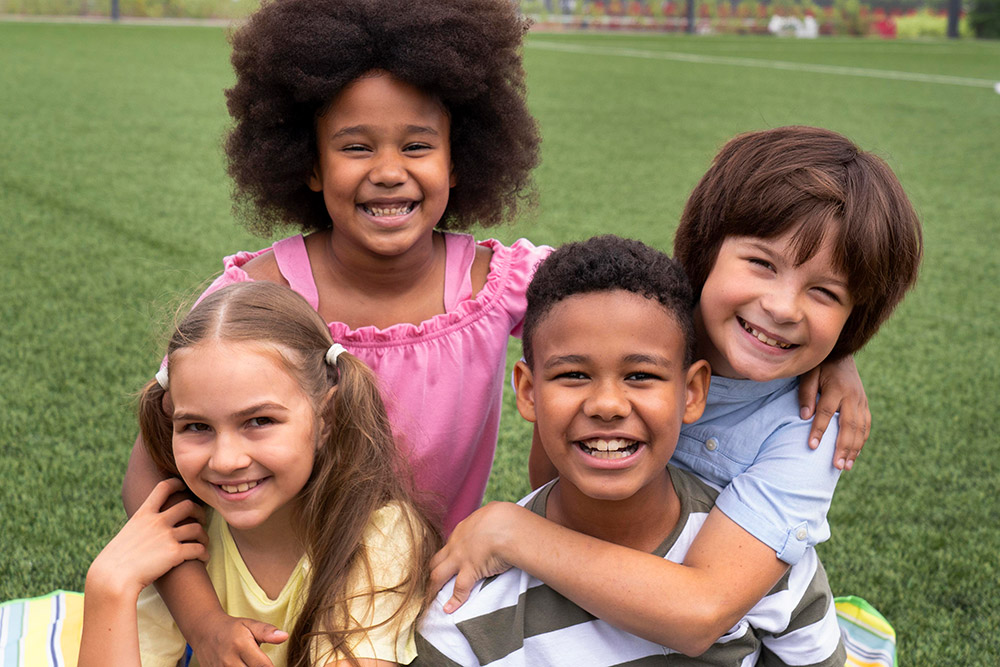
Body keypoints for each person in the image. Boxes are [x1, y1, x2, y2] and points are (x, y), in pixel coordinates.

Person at [430, 127, 923, 655]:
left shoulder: (813, 426)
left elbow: (701, 613)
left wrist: (512, 533)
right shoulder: (642, 318)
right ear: (707, 254)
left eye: (824, 293)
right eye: (762, 264)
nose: (783, 307)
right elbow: (554, 477)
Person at [416, 236, 846, 665]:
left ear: (693, 392)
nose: (607, 405)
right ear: (528, 392)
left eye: (640, 375)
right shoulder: (466, 605)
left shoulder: (760, 567)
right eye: (573, 374)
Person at [80, 282, 438, 667]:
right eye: (197, 427)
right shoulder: (182, 535)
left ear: (326, 418)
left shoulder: (379, 537)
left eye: (259, 421)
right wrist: (108, 586)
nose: (225, 460)